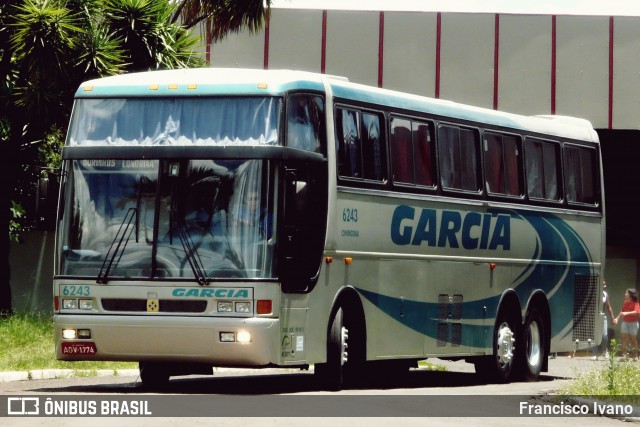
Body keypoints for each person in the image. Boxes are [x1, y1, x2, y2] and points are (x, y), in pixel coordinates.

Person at [592, 280, 616, 360]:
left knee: (604, 335)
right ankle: (595, 354)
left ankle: (605, 351)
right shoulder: (593, 293)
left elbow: (608, 306)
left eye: (604, 285)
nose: (604, 286)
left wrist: (612, 318)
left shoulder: (605, 294)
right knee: (595, 335)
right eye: (603, 285)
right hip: (594, 316)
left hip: (603, 316)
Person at [615, 288, 640, 360]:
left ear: (630, 295)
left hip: (633, 323)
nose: (625, 294)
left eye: (626, 293)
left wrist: (626, 313)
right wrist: (617, 318)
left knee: (633, 339)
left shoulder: (636, 303)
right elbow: (622, 311)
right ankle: (624, 355)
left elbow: (637, 312)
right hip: (625, 322)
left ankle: (635, 355)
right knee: (624, 338)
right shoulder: (625, 302)